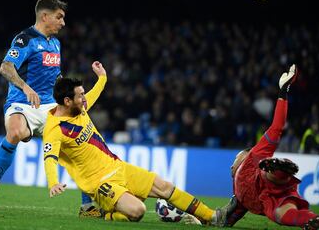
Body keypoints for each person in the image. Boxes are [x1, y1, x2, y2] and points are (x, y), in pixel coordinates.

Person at [42, 60, 228, 225]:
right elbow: (49, 157)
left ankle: (211, 216)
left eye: (83, 94)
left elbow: (94, 94)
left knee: (165, 187)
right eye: (80, 95)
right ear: (67, 101)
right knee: (137, 211)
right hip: (100, 184)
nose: (84, 99)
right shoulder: (55, 129)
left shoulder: (78, 108)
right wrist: (53, 182)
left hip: (118, 166)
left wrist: (103, 78)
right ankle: (102, 215)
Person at [0, 0, 99, 217]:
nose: (63, 23)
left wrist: (74, 96)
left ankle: (86, 206)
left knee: (76, 146)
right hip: (22, 103)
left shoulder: (55, 44)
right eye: (59, 17)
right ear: (45, 16)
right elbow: (5, 67)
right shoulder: (25, 39)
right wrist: (26, 88)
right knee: (16, 132)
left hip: (50, 105)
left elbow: (56, 76)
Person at [221, 64, 319, 229]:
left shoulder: (254, 155)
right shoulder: (237, 196)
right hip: (270, 199)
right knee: (279, 214)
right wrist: (201, 218)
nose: (232, 164)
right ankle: (313, 220)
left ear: (245, 155)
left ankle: (277, 168)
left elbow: (277, 127)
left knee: (265, 172)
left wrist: (282, 92)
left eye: (235, 158)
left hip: (268, 176)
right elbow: (225, 219)